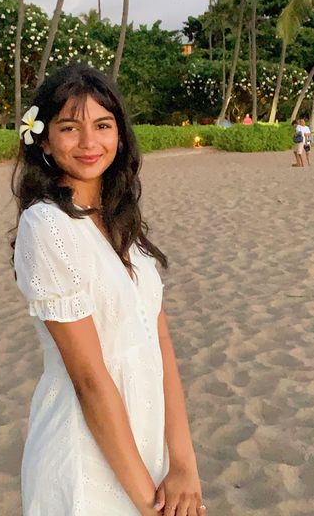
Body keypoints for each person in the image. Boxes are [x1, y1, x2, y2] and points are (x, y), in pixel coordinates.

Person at [11, 63, 206, 516]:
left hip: (148, 440)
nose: (88, 142)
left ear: (120, 134)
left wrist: (183, 464)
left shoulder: (122, 223)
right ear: (43, 139)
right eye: (69, 127)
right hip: (85, 452)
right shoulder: (47, 226)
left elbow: (160, 343)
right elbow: (89, 379)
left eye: (103, 125)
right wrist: (150, 503)